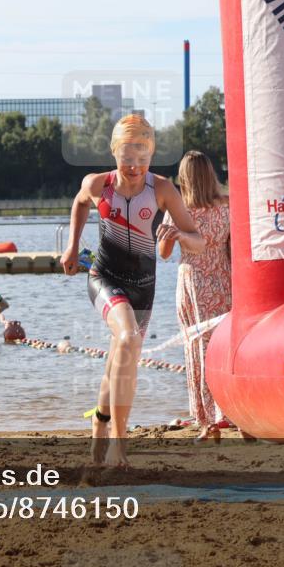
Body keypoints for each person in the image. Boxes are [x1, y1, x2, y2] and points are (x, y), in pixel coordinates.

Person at [61, 114, 205, 468]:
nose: (135, 167)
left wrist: (180, 236)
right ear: (114, 153)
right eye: (127, 158)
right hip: (105, 278)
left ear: (151, 155)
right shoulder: (99, 184)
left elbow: (199, 241)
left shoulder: (162, 190)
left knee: (121, 357)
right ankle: (118, 444)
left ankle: (100, 422)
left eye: (143, 158)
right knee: (126, 338)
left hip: (143, 287)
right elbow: (80, 202)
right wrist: (72, 245)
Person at [157, 151, 231, 443]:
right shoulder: (227, 205)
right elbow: (233, 246)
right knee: (224, 345)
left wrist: (171, 235)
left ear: (184, 178)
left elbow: (163, 254)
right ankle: (230, 411)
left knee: (197, 348)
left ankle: (207, 417)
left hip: (193, 283)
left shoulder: (179, 211)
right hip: (223, 278)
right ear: (210, 174)